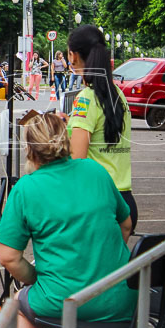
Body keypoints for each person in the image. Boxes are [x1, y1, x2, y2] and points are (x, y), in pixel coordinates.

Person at [0, 111, 135, 328]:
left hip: (62, 299)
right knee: (111, 317)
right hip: (119, 296)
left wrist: (36, 280)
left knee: (19, 308)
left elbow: (8, 256)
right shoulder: (95, 170)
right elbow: (126, 223)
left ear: (31, 150)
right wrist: (102, 259)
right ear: (65, 140)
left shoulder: (26, 188)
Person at [65, 24, 136, 230]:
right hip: (124, 200)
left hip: (98, 202)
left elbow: (77, 160)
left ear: (74, 56)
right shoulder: (118, 95)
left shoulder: (86, 97)